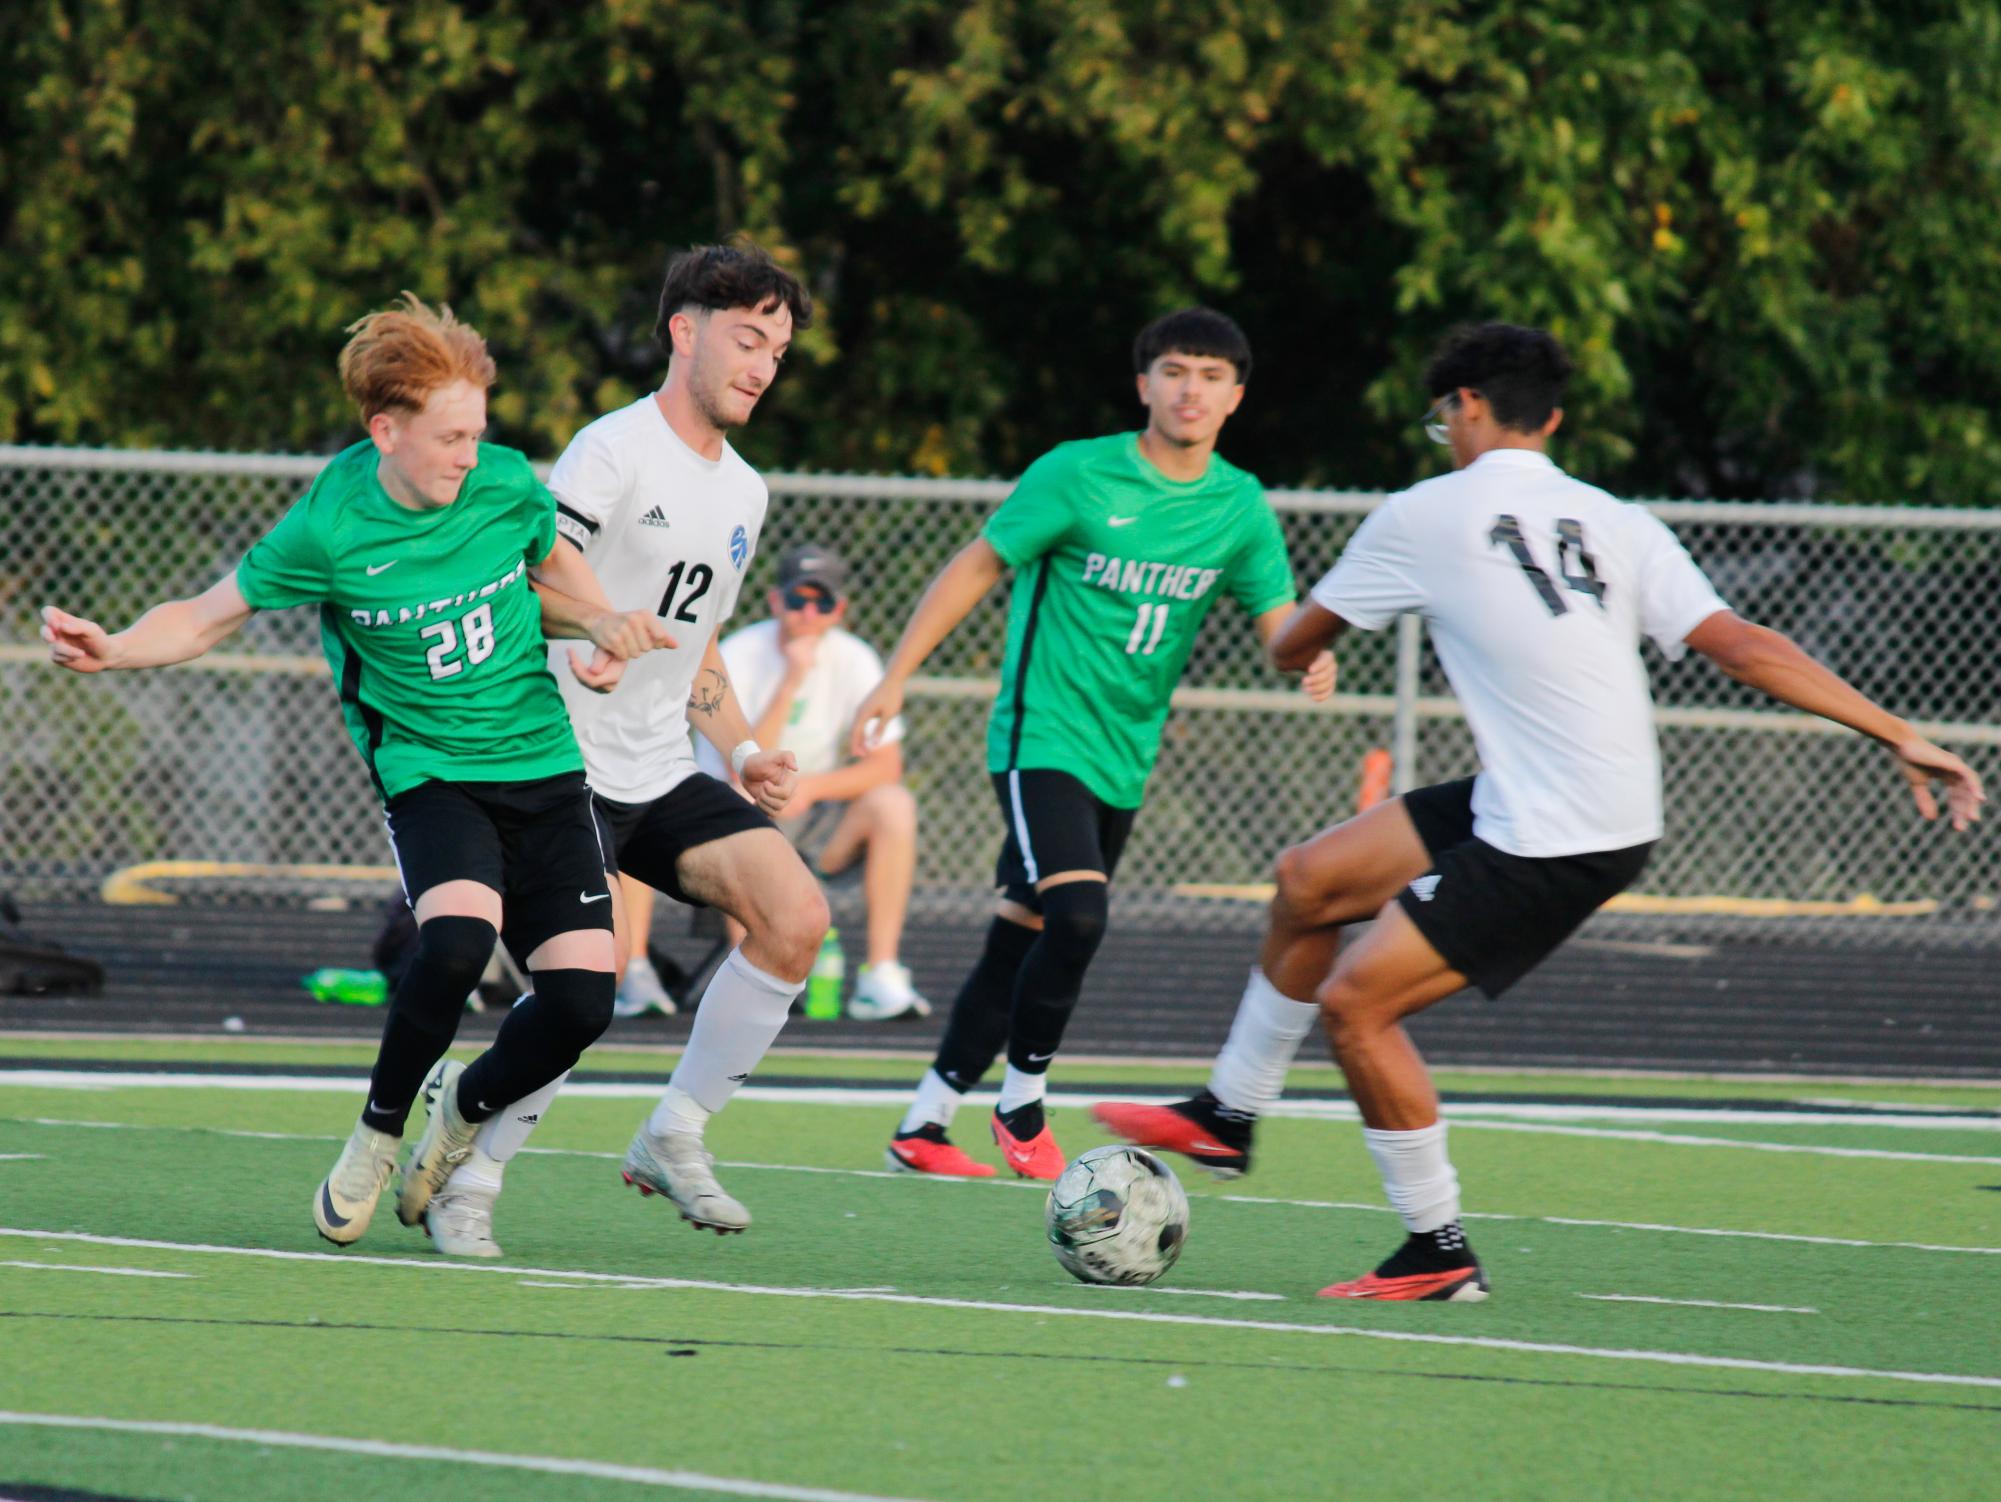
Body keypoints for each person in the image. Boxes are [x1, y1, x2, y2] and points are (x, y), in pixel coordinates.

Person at [1093, 322, 1985, 1301]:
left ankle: (1437, 1249)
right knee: (1311, 880)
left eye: (1444, 415)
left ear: (1465, 403)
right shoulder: (1618, 519)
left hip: (1560, 829)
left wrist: (1303, 629)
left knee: (1358, 1005)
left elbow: (1291, 643)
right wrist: (1894, 728)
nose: (1445, 431)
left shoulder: (1421, 514)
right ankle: (1229, 1113)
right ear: (1551, 418)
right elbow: (1741, 645)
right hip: (1566, 796)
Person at [40, 294, 670, 1250]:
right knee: (457, 943)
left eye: (478, 431)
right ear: (386, 429)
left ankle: (457, 1114)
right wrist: (116, 647)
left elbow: (557, 585)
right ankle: (377, 1135)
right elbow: (208, 615)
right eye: (452, 435)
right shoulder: (330, 527)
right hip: (429, 772)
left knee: (584, 1002)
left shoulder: (505, 488)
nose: (471, 452)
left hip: (541, 765)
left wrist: (605, 628)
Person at [850, 308, 1336, 1181]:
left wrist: (1306, 651)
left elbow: (1275, 622)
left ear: (1235, 397)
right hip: (1041, 738)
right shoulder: (1078, 474)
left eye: (1211, 376)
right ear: (1143, 381)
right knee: (1078, 915)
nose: (1192, 390)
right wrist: (895, 675)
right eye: (1176, 370)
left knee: (1020, 935)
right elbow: (978, 563)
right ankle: (1021, 1103)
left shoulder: (1238, 506)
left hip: (1123, 757)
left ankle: (922, 1125)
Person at [429, 242, 829, 1255]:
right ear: (683, 330)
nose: (762, 365)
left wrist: (740, 747)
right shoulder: (613, 448)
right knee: (584, 984)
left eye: (777, 350)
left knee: (796, 912)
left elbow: (695, 653)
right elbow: (540, 562)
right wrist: (600, 622)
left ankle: (674, 1131)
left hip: (657, 766)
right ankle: (469, 1179)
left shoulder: (745, 492)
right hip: (556, 763)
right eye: (747, 338)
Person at [694, 542, 929, 1022]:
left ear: (839, 609)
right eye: (797, 600)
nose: (808, 613)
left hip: (814, 818)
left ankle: (881, 974)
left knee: (893, 804)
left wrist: (812, 789)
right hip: (741, 813)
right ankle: (747, 983)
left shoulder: (856, 658)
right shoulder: (738, 652)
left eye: (821, 603)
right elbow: (743, 764)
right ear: (776, 602)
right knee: (740, 796)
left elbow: (886, 767)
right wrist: (791, 679)